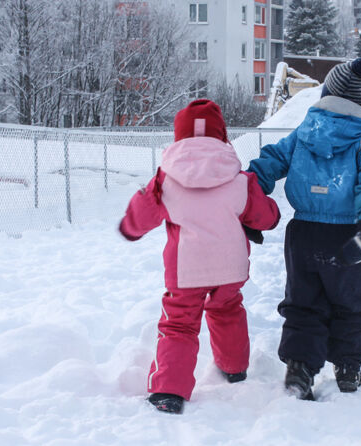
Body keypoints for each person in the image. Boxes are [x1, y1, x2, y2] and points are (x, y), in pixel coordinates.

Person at [119, 99, 281, 414]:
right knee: (227, 310)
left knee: (179, 325)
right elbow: (265, 216)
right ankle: (234, 368)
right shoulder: (240, 179)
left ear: (179, 135)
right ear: (222, 135)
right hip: (231, 268)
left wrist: (129, 227)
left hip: (186, 271)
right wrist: (271, 214)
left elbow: (141, 214)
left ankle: (168, 390)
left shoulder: (165, 179)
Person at [246, 58, 361, 401]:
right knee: (352, 302)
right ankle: (348, 367)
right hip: (348, 235)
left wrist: (246, 198)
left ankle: (300, 367)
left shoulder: (306, 130)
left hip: (304, 233)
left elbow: (271, 161)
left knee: (304, 301)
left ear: (327, 92)